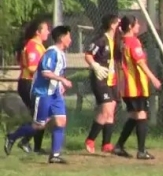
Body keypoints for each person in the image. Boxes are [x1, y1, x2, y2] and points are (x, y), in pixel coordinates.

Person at [4, 26, 74, 164]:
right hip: (43, 94)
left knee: (61, 121)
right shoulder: (52, 52)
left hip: (55, 94)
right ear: (61, 38)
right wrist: (62, 80)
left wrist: (60, 86)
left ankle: (54, 155)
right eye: (69, 36)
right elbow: (45, 72)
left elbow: (57, 73)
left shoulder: (61, 54)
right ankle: (12, 137)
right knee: (38, 125)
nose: (70, 39)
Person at [113, 16, 162, 160]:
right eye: (137, 23)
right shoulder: (133, 42)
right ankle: (141, 151)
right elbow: (140, 62)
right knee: (141, 115)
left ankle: (119, 146)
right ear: (130, 27)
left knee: (134, 116)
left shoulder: (121, 42)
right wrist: (153, 78)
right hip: (136, 86)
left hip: (126, 86)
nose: (139, 26)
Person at [11, 18, 50, 154]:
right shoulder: (32, 45)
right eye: (46, 29)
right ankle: (16, 138)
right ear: (38, 32)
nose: (48, 32)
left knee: (43, 115)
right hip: (28, 83)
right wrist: (50, 74)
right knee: (41, 116)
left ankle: (34, 147)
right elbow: (33, 67)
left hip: (35, 84)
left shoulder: (39, 45)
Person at [83, 14, 121, 154]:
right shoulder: (101, 40)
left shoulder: (115, 40)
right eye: (118, 22)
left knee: (111, 111)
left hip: (111, 80)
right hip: (100, 79)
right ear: (112, 25)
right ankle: (90, 140)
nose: (120, 25)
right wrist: (95, 66)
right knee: (105, 111)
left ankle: (106, 144)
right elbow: (88, 54)